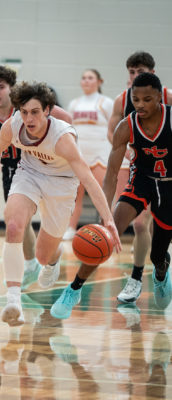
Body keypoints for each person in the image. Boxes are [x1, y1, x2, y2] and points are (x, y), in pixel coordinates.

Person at [0, 81, 120, 326]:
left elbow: (88, 179)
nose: (29, 118)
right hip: (29, 173)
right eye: (24, 112)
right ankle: (13, 301)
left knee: (42, 256)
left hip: (62, 183)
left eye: (35, 112)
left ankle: (53, 258)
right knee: (13, 226)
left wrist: (109, 219)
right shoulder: (14, 125)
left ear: (47, 110)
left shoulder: (62, 138)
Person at [51, 73, 172, 319]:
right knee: (104, 238)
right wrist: (104, 215)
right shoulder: (126, 126)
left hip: (170, 187)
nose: (140, 105)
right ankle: (74, 289)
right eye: (136, 99)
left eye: (147, 99)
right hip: (141, 182)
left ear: (159, 98)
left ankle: (161, 273)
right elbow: (111, 175)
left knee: (158, 254)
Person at [0, 65, 72, 289]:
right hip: (11, 167)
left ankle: (49, 252)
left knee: (43, 218)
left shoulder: (24, 106)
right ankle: (31, 264)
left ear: (11, 88)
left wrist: (62, 144)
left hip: (39, 163)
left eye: (1, 87)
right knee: (16, 222)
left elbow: (65, 117)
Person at [108, 51, 172, 304]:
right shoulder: (122, 100)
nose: (135, 76)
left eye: (140, 72)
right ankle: (135, 279)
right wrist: (129, 150)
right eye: (132, 72)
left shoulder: (168, 98)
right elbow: (112, 134)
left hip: (166, 174)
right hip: (137, 167)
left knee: (160, 228)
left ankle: (160, 263)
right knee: (137, 224)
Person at [63, 69, 114, 240]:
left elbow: (114, 128)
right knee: (75, 194)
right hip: (79, 153)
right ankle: (71, 228)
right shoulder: (74, 103)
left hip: (100, 152)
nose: (86, 81)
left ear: (99, 81)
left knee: (102, 194)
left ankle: (107, 229)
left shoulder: (107, 103)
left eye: (90, 78)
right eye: (83, 78)